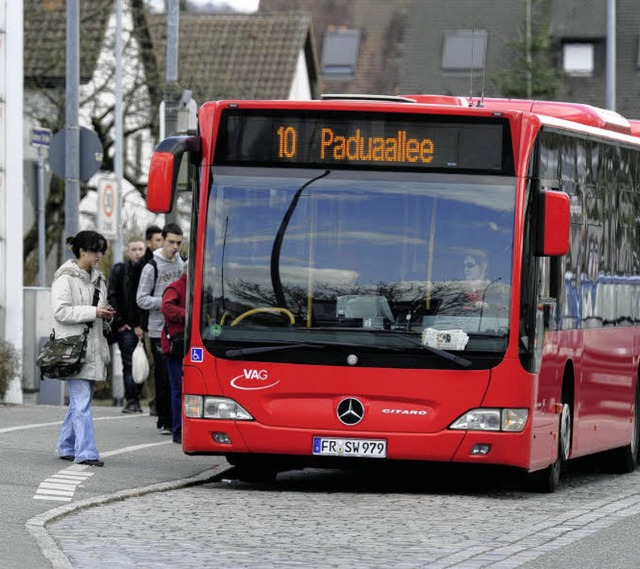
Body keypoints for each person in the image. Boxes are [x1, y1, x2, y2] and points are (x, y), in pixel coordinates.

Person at [53, 231, 114, 467]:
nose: (99, 255)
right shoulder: (65, 277)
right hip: (74, 349)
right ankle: (86, 452)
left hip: (94, 347)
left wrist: (106, 314)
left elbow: (98, 311)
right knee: (82, 400)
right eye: (96, 250)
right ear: (82, 251)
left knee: (80, 401)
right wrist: (94, 312)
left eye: (101, 250)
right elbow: (61, 311)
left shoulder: (99, 278)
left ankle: (66, 446)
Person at [136, 223, 184, 435]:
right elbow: (141, 299)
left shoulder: (182, 264)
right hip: (157, 329)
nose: (175, 247)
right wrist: (166, 302)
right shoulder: (151, 267)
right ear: (162, 240)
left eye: (179, 243)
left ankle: (176, 420)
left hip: (179, 329)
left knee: (178, 376)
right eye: (171, 242)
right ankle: (164, 420)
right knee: (163, 377)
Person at [107, 239, 146, 414]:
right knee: (129, 364)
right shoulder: (120, 270)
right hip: (126, 327)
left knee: (143, 364)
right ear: (128, 252)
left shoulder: (149, 269)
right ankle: (132, 400)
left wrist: (141, 324)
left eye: (140, 249)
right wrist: (121, 323)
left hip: (145, 327)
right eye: (134, 249)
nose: (137, 252)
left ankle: (136, 398)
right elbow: (112, 296)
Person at [132, 224, 163, 415]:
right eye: (158, 240)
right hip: (147, 323)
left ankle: (163, 403)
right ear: (149, 242)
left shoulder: (174, 261)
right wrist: (137, 324)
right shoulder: (144, 266)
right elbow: (135, 298)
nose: (161, 243)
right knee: (151, 366)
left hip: (165, 323)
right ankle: (153, 403)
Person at [161, 264, 187, 444]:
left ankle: (181, 430)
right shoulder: (177, 286)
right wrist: (189, 315)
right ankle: (178, 431)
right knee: (178, 389)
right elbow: (166, 307)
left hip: (184, 344)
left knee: (180, 390)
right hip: (177, 345)